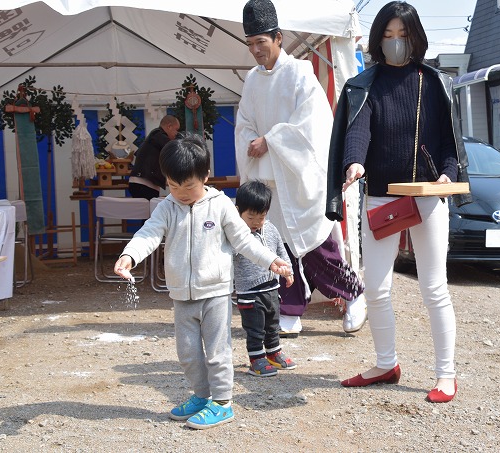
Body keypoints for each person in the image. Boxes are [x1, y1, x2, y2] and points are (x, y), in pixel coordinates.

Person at [326, 1, 472, 403]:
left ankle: (446, 375)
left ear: (415, 37)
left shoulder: (434, 82)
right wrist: (354, 162)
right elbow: (359, 132)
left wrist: (447, 174)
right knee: (375, 286)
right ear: (377, 40)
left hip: (428, 197)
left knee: (434, 287)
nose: (394, 43)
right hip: (382, 196)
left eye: (401, 35)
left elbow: (448, 142)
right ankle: (385, 363)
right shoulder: (365, 84)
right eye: (387, 36)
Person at [114, 133, 291, 429]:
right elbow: (149, 233)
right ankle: (201, 395)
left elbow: (244, 241)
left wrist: (271, 260)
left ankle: (222, 403)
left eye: (188, 187)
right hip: (181, 296)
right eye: (172, 185)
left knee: (218, 351)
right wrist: (129, 255)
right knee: (187, 352)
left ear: (205, 176)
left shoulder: (220, 205)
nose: (180, 193)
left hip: (216, 294)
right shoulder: (167, 207)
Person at [235, 0, 367, 337]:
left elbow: (312, 126)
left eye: (260, 43)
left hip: (298, 179)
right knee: (278, 250)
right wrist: (255, 141)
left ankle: (353, 295)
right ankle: (291, 307)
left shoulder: (300, 74)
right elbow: (243, 125)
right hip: (270, 182)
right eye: (250, 44)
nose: (255, 51)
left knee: (317, 248)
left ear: (278, 38)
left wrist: (270, 141)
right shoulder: (251, 81)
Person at [233, 180, 297, 377]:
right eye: (251, 216)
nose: (257, 222)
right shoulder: (236, 235)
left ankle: (273, 353)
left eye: (261, 216)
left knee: (272, 324)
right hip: (249, 293)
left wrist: (289, 270)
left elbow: (281, 251)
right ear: (238, 211)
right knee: (255, 328)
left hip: (271, 288)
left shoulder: (270, 228)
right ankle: (256, 359)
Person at [128, 115, 180, 200]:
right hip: (144, 184)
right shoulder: (158, 135)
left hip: (142, 183)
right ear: (169, 126)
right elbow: (173, 149)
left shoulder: (154, 136)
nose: (177, 133)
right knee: (149, 212)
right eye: (176, 129)